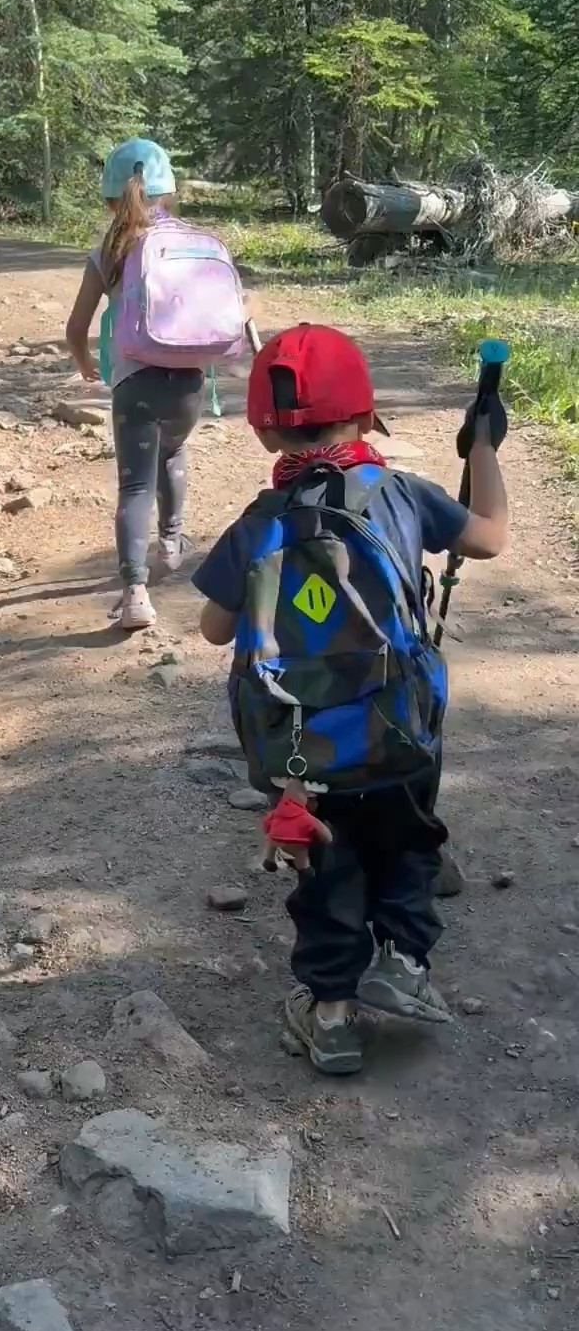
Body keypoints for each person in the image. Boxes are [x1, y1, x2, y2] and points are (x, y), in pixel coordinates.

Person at [193, 322, 508, 1075]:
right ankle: (403, 961)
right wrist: (484, 448)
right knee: (404, 844)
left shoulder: (261, 521)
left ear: (267, 435)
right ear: (367, 417)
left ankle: (331, 1018)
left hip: (299, 746)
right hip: (398, 730)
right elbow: (490, 538)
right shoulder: (401, 496)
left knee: (326, 874)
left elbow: (212, 629)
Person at [65, 138, 244, 631]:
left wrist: (86, 364)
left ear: (109, 199)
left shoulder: (111, 249)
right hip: (189, 379)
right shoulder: (193, 241)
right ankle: (171, 543)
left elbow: (76, 327)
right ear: (170, 192)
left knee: (135, 483)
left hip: (134, 384)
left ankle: (136, 593)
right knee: (172, 453)